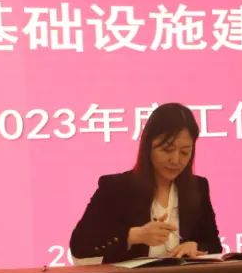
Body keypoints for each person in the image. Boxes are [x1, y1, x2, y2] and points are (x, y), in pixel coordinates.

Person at [70, 103, 221, 263]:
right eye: (167, 150)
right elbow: (80, 245)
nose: (176, 160)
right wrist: (133, 236)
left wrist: (195, 245)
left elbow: (214, 245)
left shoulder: (198, 187)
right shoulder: (115, 188)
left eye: (185, 152)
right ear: (148, 146)